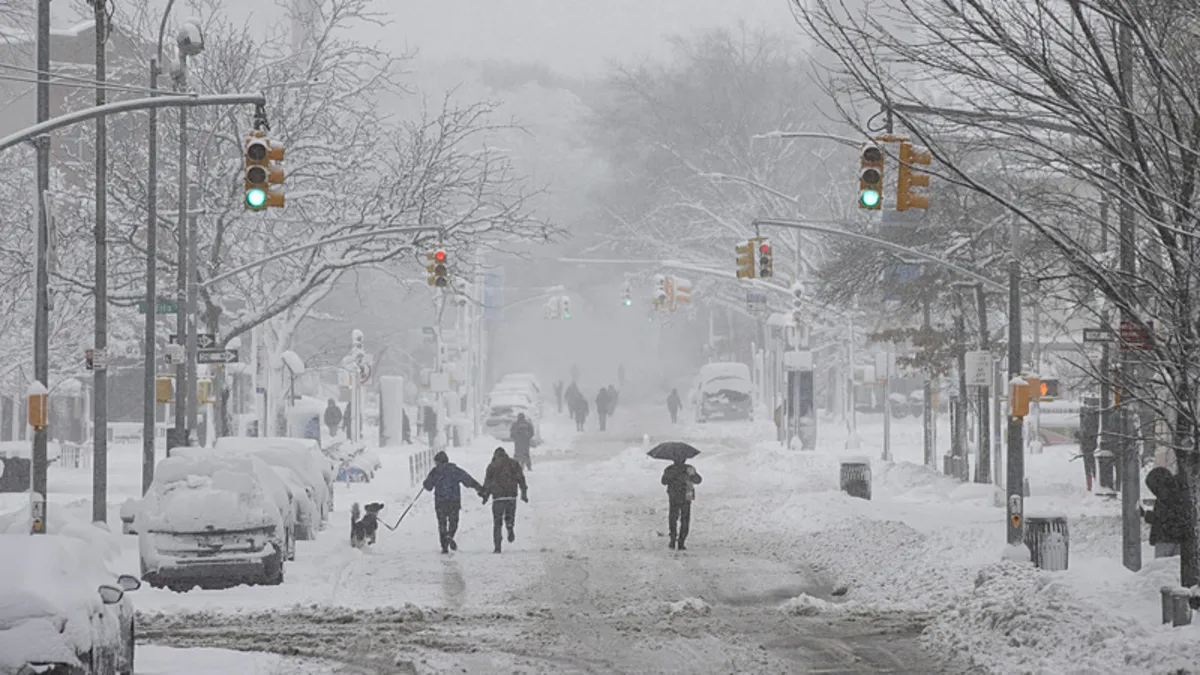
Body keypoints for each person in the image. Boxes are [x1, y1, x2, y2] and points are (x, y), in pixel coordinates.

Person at [422, 451, 484, 554]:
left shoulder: (435, 471)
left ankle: (444, 547)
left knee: (442, 523)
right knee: (453, 522)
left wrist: (425, 483)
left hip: (440, 502)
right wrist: (479, 488)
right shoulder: (455, 470)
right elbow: (468, 480)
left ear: (438, 462)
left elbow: (428, 486)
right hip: (454, 501)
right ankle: (450, 535)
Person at [480, 447, 528, 553]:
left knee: (497, 523)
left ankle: (497, 546)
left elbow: (488, 483)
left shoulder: (492, 466)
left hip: (498, 498)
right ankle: (510, 526)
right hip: (511, 496)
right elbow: (521, 478)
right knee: (510, 516)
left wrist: (485, 496)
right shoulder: (514, 464)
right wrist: (524, 493)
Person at [1142, 467, 1188, 558]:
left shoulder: (1166, 496)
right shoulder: (1181, 491)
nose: (1155, 492)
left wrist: (1147, 515)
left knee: (1163, 564)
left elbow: (1165, 518)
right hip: (1181, 539)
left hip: (1166, 539)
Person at [661, 457, 702, 550]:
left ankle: (672, 539)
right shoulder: (689, 468)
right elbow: (698, 480)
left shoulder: (670, 469)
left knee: (673, 517)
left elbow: (663, 482)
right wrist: (692, 475)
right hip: (687, 495)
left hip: (674, 496)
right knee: (685, 519)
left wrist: (670, 476)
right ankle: (681, 541)